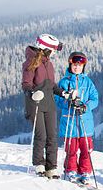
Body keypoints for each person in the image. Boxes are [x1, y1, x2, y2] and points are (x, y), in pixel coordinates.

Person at [22, 34, 73, 178]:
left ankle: (51, 167)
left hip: (49, 103)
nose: (54, 52)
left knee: (52, 135)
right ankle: (39, 164)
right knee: (41, 135)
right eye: (53, 49)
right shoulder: (30, 62)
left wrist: (64, 93)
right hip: (36, 104)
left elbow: (51, 86)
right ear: (46, 48)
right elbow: (26, 84)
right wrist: (32, 93)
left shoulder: (48, 64)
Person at [55, 51, 99, 184]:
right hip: (70, 121)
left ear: (83, 67)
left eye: (79, 65)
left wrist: (85, 106)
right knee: (71, 149)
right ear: (70, 64)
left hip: (85, 121)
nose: (77, 67)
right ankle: (71, 170)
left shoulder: (88, 82)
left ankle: (85, 171)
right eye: (74, 65)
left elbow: (95, 99)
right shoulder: (64, 82)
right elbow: (57, 99)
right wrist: (67, 101)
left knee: (86, 149)